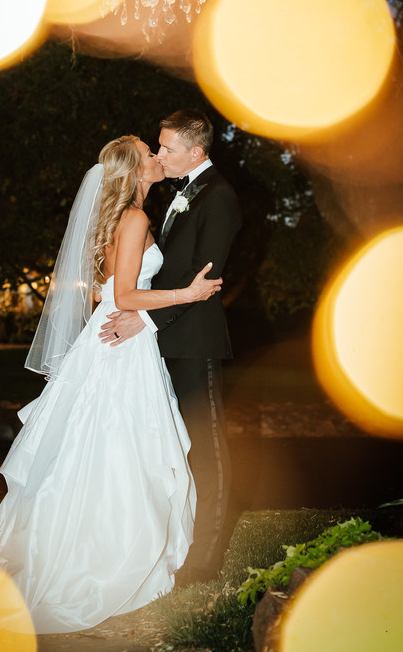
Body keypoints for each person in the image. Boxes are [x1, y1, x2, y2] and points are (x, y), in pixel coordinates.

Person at [0, 135, 222, 634]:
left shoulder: (118, 218)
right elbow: (128, 295)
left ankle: (91, 537)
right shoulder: (134, 219)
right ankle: (103, 552)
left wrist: (128, 307)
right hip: (121, 343)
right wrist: (189, 293)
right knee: (116, 446)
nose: (157, 158)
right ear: (134, 170)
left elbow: (109, 293)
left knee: (100, 445)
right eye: (148, 154)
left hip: (112, 336)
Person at [99, 110, 242, 586]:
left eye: (168, 149)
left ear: (196, 152)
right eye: (157, 148)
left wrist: (142, 315)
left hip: (192, 338)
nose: (161, 155)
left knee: (206, 443)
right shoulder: (178, 196)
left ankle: (204, 558)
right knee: (171, 444)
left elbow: (203, 278)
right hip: (162, 339)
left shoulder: (218, 197)